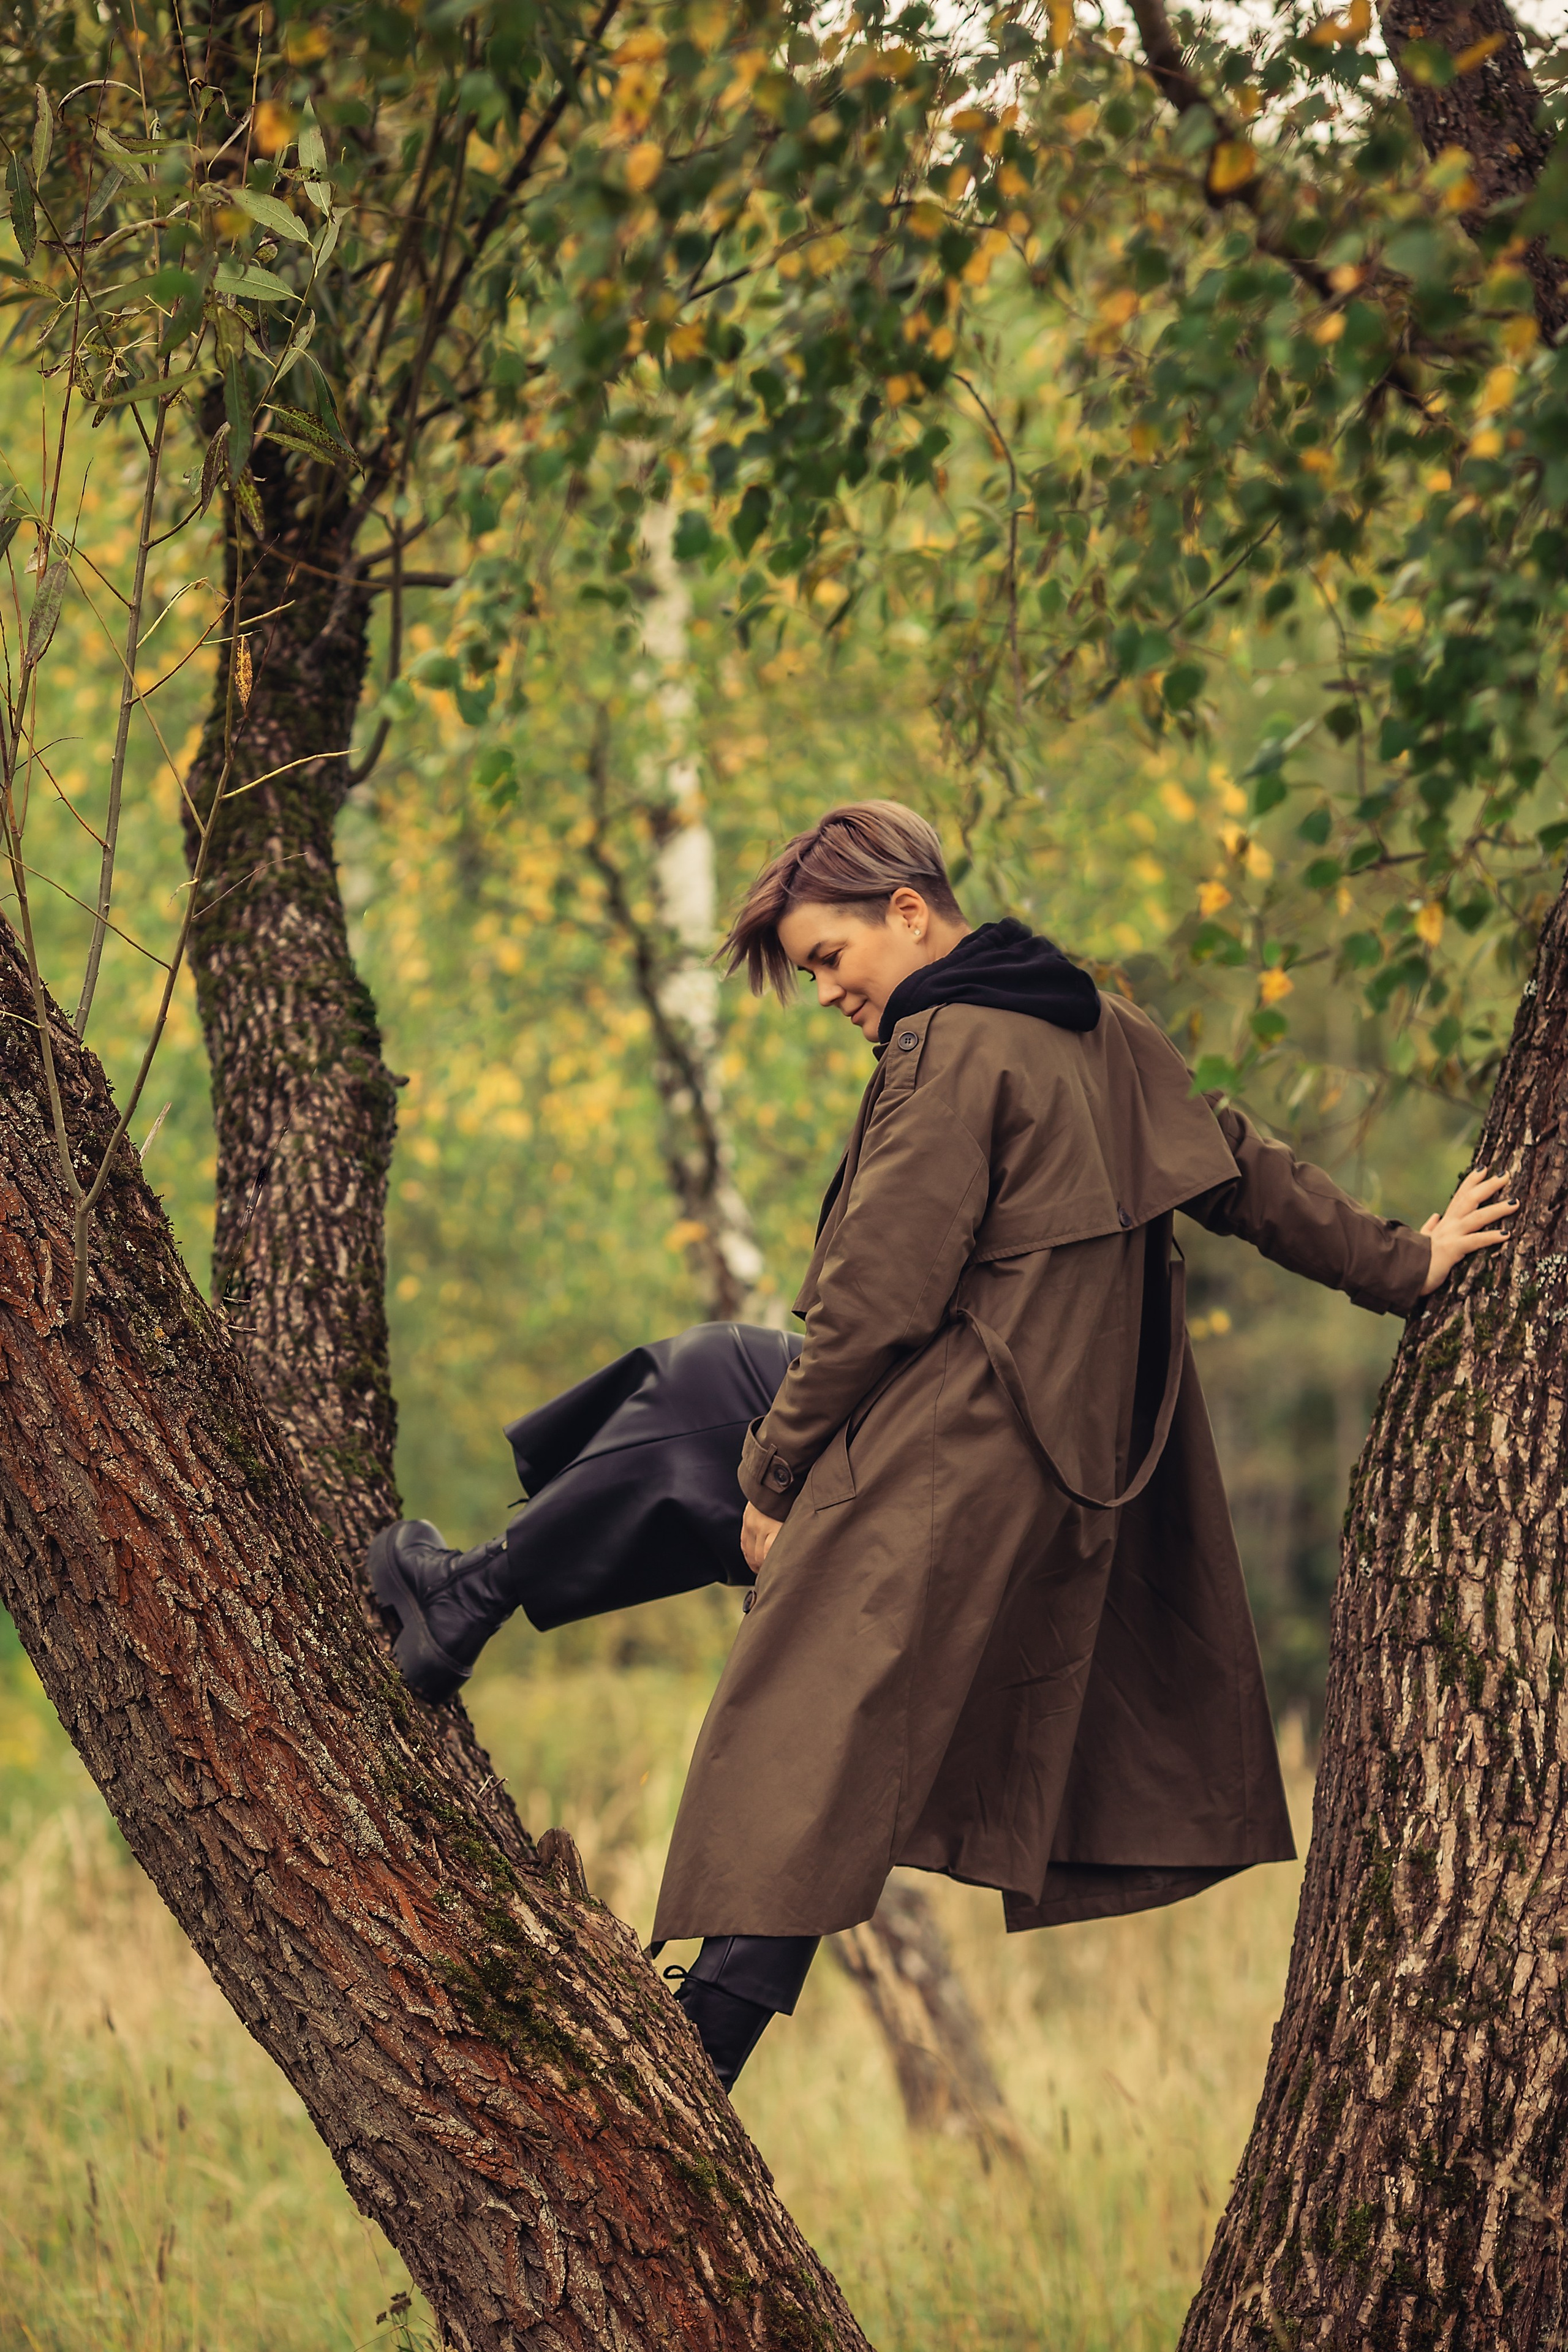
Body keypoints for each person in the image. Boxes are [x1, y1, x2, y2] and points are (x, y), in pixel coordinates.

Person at [367, 801, 1516, 2096]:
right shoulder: (1093, 1021)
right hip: (991, 1426)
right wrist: (1398, 1262)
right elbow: (1239, 1167)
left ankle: (692, 2062)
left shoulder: (950, 1043)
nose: (825, 992)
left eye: (828, 957)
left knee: (817, 1744)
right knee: (709, 1380)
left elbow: (877, 1296)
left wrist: (775, 1482)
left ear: (907, 912)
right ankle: (466, 1599)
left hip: (956, 1445)